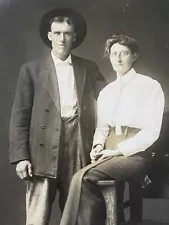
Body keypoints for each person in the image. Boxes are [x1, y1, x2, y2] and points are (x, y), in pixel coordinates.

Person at [9, 8, 106, 225]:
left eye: (67, 33)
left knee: (79, 212)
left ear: (75, 37)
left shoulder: (88, 68)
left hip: (78, 141)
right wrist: (21, 156)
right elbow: (20, 115)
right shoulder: (31, 70)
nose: (62, 38)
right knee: (38, 214)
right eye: (58, 33)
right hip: (41, 149)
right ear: (49, 35)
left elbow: (109, 98)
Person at [59, 34, 165, 225]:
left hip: (137, 155)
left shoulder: (150, 86)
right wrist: (98, 145)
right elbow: (102, 127)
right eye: (114, 53)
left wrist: (117, 151)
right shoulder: (107, 92)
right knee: (80, 177)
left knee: (84, 178)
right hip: (109, 153)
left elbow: (152, 132)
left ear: (133, 56)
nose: (118, 58)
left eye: (124, 53)